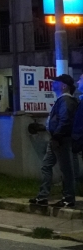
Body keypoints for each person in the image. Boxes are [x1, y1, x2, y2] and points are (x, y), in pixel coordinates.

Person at [32, 74, 77, 208]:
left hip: (61, 140)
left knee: (65, 169)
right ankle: (42, 196)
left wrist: (57, 136)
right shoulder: (63, 100)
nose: (53, 84)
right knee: (46, 166)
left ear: (63, 86)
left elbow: (65, 120)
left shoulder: (66, 101)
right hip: (56, 139)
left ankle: (68, 198)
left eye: (56, 82)